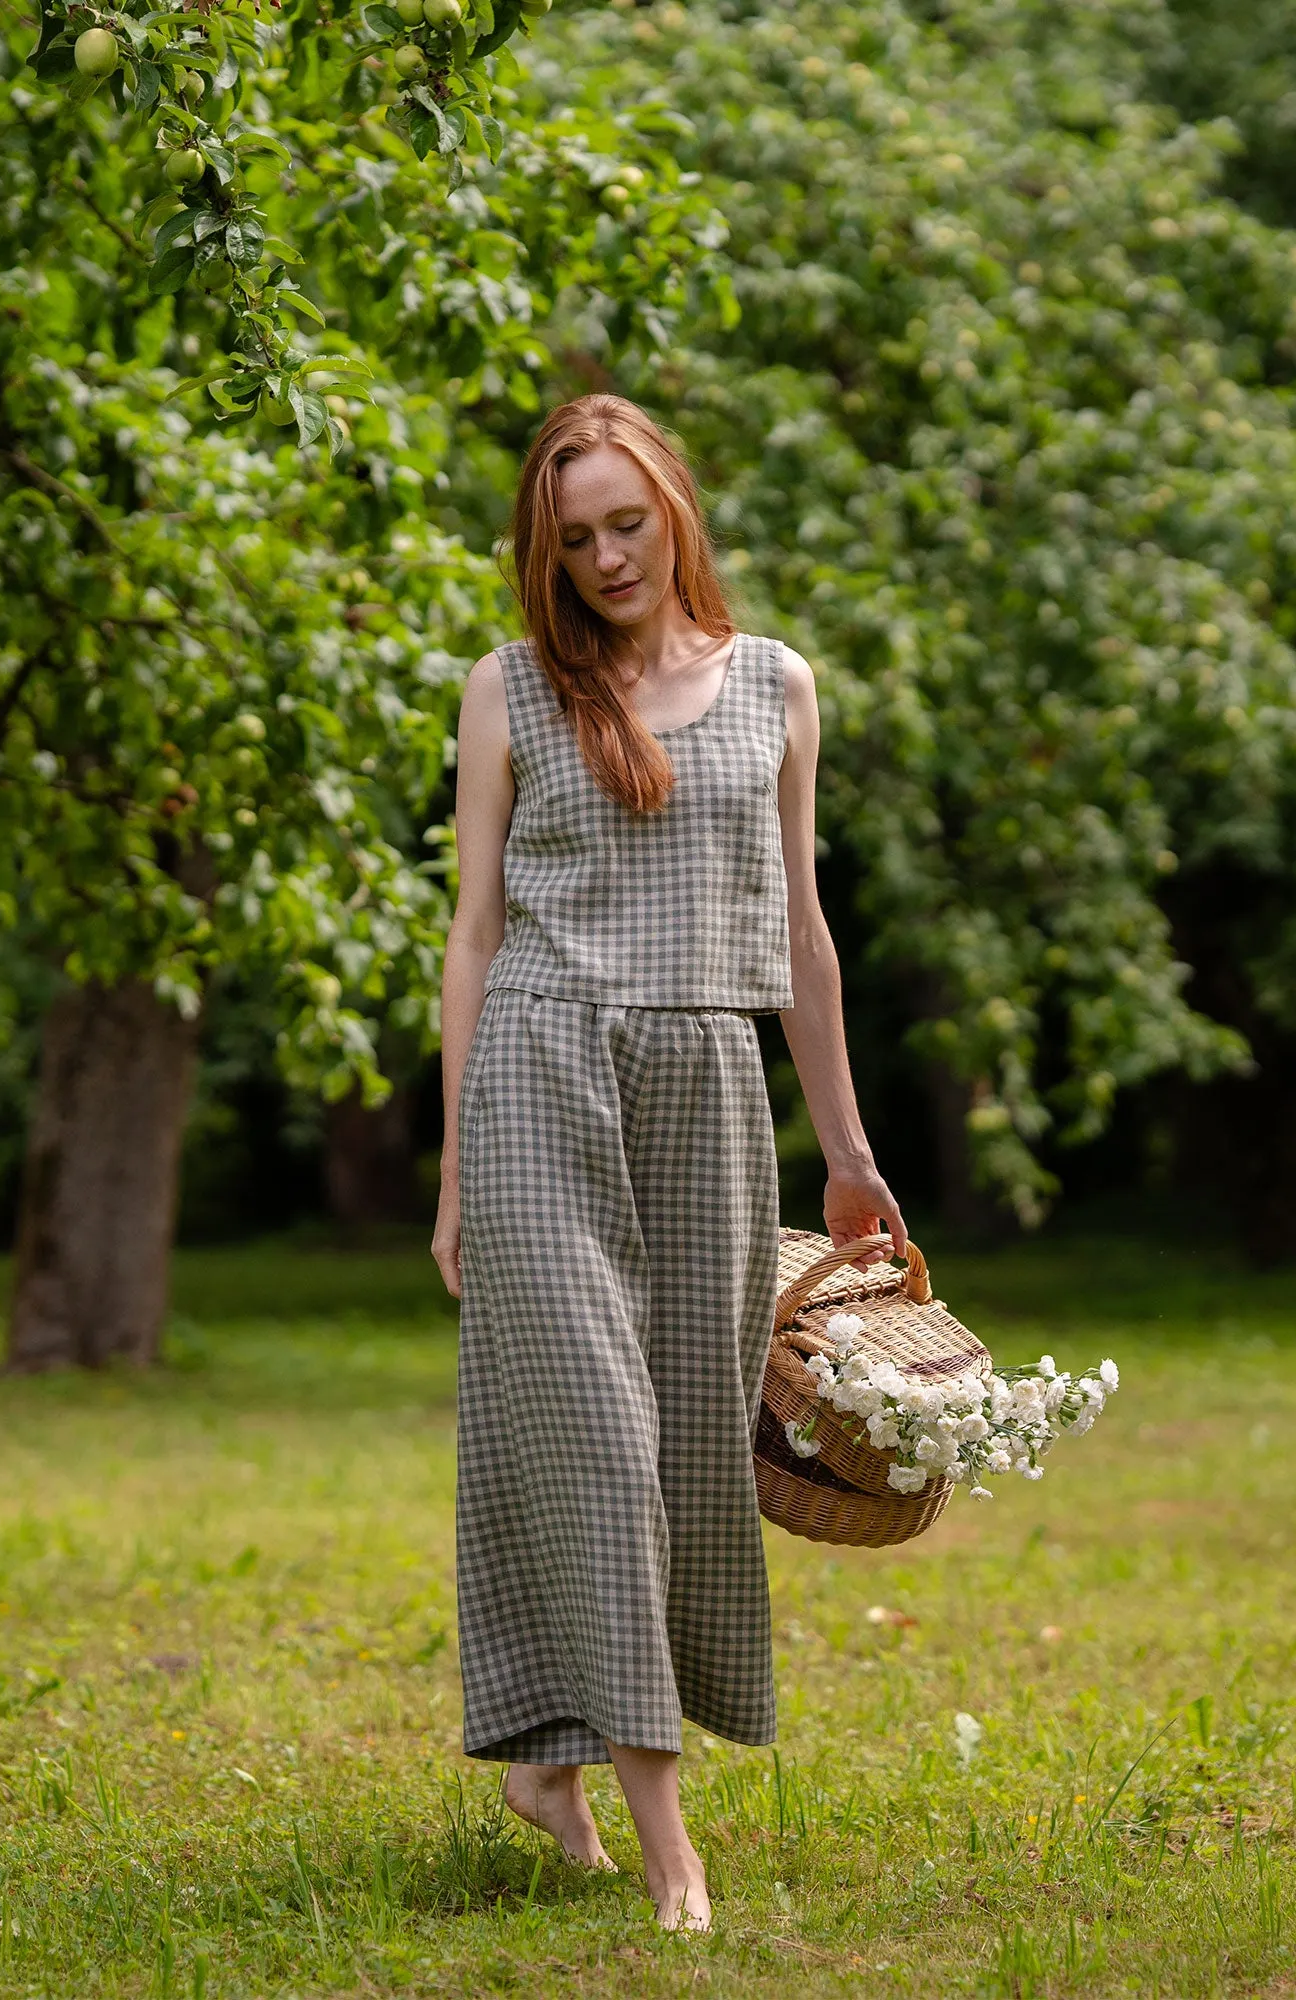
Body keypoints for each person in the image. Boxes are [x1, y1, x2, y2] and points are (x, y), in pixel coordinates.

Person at [432, 393, 905, 1931]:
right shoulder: (507, 692)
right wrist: (452, 1169)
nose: (606, 556)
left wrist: (844, 1148)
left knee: (686, 1452)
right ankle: (666, 1838)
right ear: (543, 552)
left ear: (677, 511)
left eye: (627, 522)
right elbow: (475, 934)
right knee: (590, 1433)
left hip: (705, 1090)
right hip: (539, 1075)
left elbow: (805, 933)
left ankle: (546, 1765)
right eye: (573, 538)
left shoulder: (776, 686)